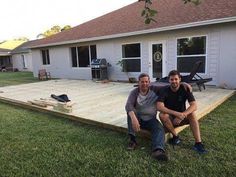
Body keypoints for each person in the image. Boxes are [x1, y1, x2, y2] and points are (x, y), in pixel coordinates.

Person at [156, 70, 207, 154]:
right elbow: (159, 106)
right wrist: (177, 114)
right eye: (172, 79)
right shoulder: (164, 90)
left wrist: (182, 115)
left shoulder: (185, 88)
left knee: (192, 114)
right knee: (162, 115)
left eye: (176, 79)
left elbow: (194, 105)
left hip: (182, 118)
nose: (174, 81)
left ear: (180, 79)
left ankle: (198, 143)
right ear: (169, 80)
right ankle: (175, 137)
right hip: (171, 119)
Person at [125, 73, 168, 161]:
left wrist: (183, 84)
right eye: (142, 82)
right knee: (130, 113)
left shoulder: (155, 89)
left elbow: (168, 86)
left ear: (149, 82)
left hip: (151, 119)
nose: (144, 84)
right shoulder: (134, 92)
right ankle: (132, 141)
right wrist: (134, 118)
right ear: (139, 82)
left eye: (146, 82)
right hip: (138, 118)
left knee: (159, 129)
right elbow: (128, 105)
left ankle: (157, 150)